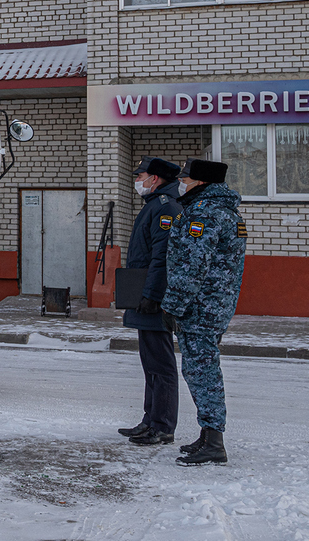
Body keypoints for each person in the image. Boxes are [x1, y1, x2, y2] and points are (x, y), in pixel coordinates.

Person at [161, 157, 247, 466]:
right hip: (215, 305)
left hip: (200, 308)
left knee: (202, 372)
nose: (181, 181)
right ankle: (208, 435)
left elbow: (193, 266)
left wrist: (172, 305)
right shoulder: (227, 213)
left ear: (201, 182)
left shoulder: (205, 214)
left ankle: (214, 442)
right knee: (201, 370)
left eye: (186, 177)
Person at [118, 156, 183, 446]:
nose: (138, 180)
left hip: (153, 298)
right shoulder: (154, 206)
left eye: (141, 175)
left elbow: (163, 257)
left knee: (161, 365)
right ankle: (149, 420)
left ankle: (163, 426)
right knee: (150, 364)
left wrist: (152, 295)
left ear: (154, 178)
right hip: (145, 295)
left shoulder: (165, 208)